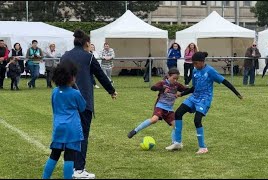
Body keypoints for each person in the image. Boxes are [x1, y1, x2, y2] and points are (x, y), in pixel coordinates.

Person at [60, 29, 118, 179]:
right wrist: (111, 90)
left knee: (70, 134)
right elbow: (100, 75)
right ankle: (79, 170)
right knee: (82, 135)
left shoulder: (65, 56)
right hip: (83, 101)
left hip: (65, 100)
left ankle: (70, 168)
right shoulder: (89, 57)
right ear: (86, 43)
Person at [165, 52, 243, 154]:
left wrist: (237, 93)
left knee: (197, 120)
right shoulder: (194, 71)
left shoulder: (210, 71)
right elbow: (194, 88)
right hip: (194, 97)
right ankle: (177, 142)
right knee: (178, 113)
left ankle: (203, 147)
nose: (195, 65)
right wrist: (182, 94)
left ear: (202, 62)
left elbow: (225, 82)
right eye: (193, 63)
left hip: (204, 99)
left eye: (196, 63)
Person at [42, 60, 86, 179]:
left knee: (54, 155)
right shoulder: (75, 93)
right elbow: (82, 107)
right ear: (71, 78)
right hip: (72, 128)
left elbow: (54, 106)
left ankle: (45, 177)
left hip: (59, 126)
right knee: (69, 156)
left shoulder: (54, 91)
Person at [127, 68, 188, 143]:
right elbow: (153, 88)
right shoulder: (163, 83)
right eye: (174, 78)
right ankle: (135, 131)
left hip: (169, 109)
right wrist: (162, 89)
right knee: (154, 119)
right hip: (160, 106)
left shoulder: (177, 85)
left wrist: (180, 94)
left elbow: (186, 89)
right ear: (168, 76)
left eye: (177, 79)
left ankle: (174, 143)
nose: (175, 80)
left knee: (176, 126)